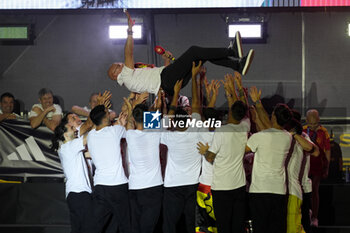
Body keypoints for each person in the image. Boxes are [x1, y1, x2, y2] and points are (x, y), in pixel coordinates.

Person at [108, 11, 255, 96]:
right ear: (116, 75)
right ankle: (231, 51)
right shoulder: (125, 77)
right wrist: (129, 29)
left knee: (201, 57)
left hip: (167, 83)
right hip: (166, 80)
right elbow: (128, 53)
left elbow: (154, 81)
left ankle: (237, 65)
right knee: (194, 51)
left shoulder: (132, 77)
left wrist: (166, 61)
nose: (121, 64)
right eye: (118, 65)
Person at [197, 73, 250, 233]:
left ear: (229, 112)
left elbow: (211, 157)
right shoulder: (244, 128)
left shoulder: (220, 131)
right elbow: (244, 111)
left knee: (223, 226)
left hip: (221, 188)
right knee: (238, 225)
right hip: (239, 186)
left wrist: (205, 152)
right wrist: (236, 89)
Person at [160, 62, 203, 233]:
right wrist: (194, 77)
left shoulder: (168, 136)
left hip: (173, 186)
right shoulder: (196, 129)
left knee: (169, 225)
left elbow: (165, 120)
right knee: (192, 224)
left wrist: (175, 93)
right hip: (192, 185)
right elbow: (197, 102)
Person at [246, 86, 293, 233]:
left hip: (260, 190)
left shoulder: (261, 136)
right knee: (277, 228)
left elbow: (242, 150)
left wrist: (257, 104)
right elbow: (268, 128)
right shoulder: (288, 137)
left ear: (273, 117)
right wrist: (258, 103)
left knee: (260, 227)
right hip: (279, 190)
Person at [87, 104, 131, 233]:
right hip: (118, 186)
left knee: (96, 225)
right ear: (106, 117)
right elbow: (130, 133)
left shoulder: (90, 135)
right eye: (107, 112)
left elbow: (100, 128)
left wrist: (119, 123)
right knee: (125, 225)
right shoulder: (115, 131)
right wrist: (125, 119)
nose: (110, 113)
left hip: (101, 187)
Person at [122, 101, 163, 233]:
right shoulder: (155, 131)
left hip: (135, 188)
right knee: (148, 228)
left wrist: (130, 108)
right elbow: (156, 114)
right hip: (153, 188)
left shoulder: (130, 134)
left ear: (134, 118)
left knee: (136, 227)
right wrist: (157, 106)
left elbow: (129, 123)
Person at [52, 115, 94, 233]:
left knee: (78, 228)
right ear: (65, 134)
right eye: (71, 128)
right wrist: (98, 120)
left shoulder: (67, 148)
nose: (75, 129)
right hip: (79, 194)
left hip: (75, 195)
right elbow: (88, 137)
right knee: (88, 227)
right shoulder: (70, 146)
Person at [285, 118, 319, 233]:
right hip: (286, 189)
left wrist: (295, 135)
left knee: (298, 225)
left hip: (300, 188)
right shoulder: (283, 137)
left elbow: (315, 151)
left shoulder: (302, 136)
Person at [303, 109, 331, 227]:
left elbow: (328, 151)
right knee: (304, 189)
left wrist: (327, 167)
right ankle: (304, 213)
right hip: (305, 164)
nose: (313, 127)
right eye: (310, 124)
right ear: (306, 121)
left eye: (315, 124)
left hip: (317, 164)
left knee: (314, 189)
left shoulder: (323, 132)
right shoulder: (303, 131)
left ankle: (314, 216)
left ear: (318, 120)